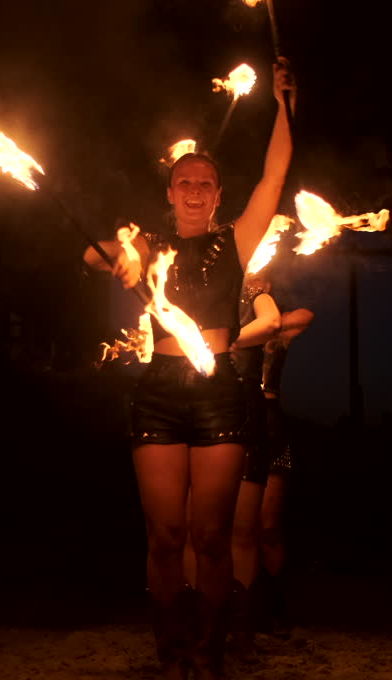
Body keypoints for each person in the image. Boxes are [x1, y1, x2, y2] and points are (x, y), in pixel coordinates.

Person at [84, 59, 295, 680]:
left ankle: (208, 657)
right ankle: (171, 654)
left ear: (219, 194)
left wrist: (284, 104)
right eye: (186, 181)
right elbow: (93, 256)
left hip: (219, 394)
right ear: (171, 192)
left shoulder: (236, 242)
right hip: (158, 394)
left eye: (207, 182)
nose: (196, 189)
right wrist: (115, 261)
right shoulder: (149, 242)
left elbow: (276, 174)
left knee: (210, 537)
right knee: (166, 536)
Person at [224, 270, 280, 653]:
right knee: (198, 532)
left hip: (244, 412)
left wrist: (226, 340)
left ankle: (243, 629)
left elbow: (277, 321)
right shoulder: (184, 289)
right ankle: (202, 623)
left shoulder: (256, 296)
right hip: (194, 407)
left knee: (245, 532)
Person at [255, 302, 314, 638]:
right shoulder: (217, 327)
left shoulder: (274, 330)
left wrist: (269, 324)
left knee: (268, 526)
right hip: (226, 417)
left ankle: (277, 610)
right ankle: (238, 609)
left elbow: (306, 315)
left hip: (270, 421)